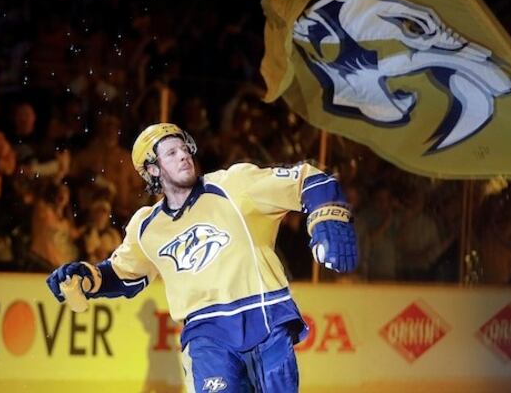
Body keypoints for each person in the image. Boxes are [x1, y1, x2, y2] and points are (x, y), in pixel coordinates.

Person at [46, 123, 357, 392]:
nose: (183, 155)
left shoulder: (233, 184)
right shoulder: (146, 226)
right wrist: (86, 278)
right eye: (171, 153)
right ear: (153, 170)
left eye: (184, 148)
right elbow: (122, 275)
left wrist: (326, 214)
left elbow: (306, 179)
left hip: (266, 317)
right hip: (206, 335)